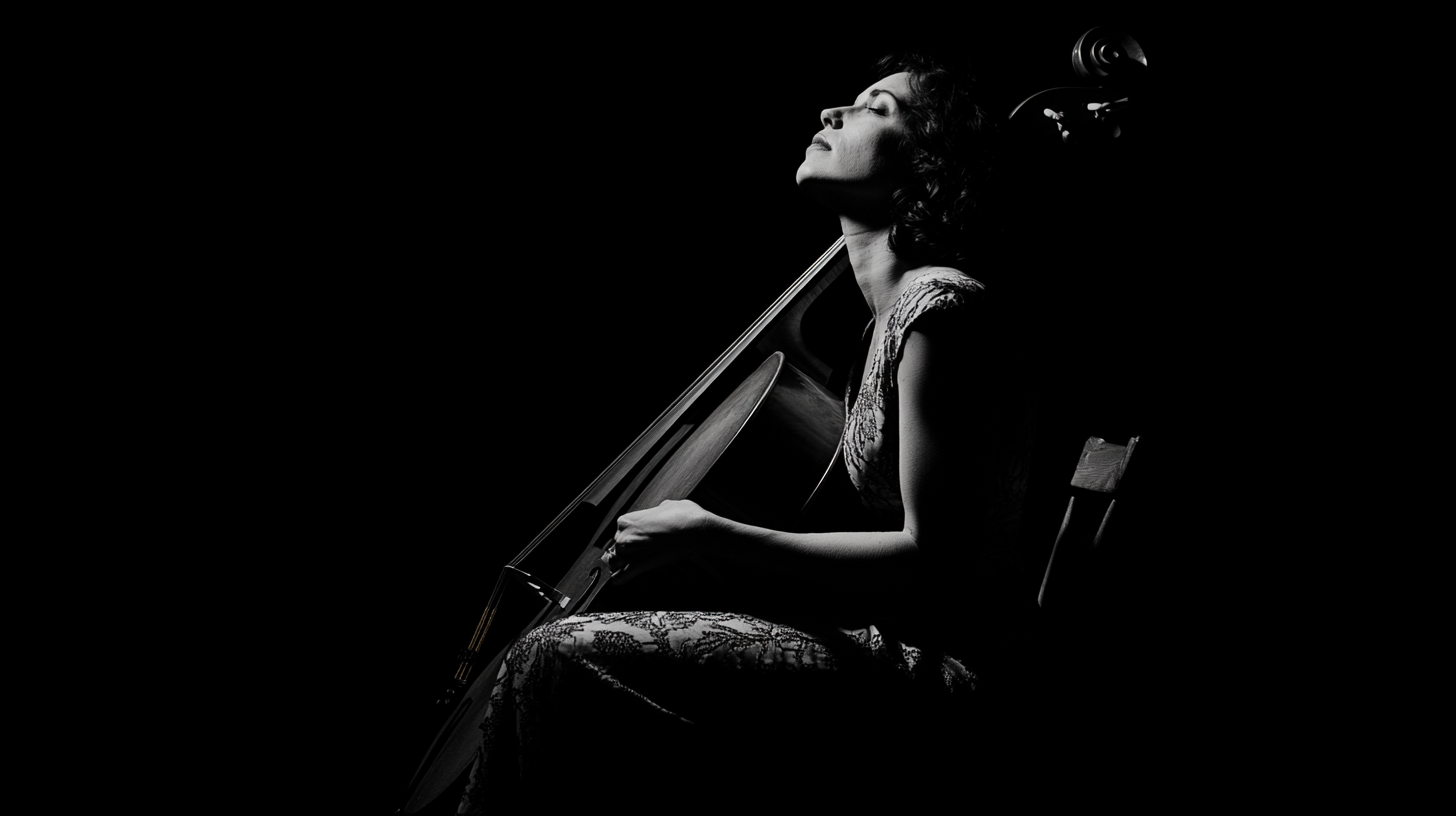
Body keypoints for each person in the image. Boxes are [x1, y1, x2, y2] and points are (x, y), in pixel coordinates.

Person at [457, 53, 1037, 810]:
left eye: (875, 107)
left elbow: (941, 558)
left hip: (943, 678)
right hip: (894, 647)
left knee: (555, 658)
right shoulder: (886, 320)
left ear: (926, 159)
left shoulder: (939, 308)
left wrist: (712, 536)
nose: (833, 112)